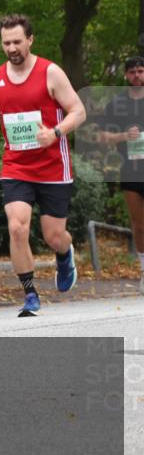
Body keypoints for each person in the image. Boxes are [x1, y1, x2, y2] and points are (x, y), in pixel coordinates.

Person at [0, 14, 87, 314]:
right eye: (6, 43)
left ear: (30, 40)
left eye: (17, 42)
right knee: (17, 227)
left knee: (54, 235)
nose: (11, 48)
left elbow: (78, 111)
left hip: (53, 165)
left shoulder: (50, 72)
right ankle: (29, 292)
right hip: (16, 166)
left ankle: (64, 254)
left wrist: (55, 133)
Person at [94, 55, 144, 293]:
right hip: (131, 169)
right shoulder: (117, 103)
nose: (137, 76)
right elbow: (101, 137)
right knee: (139, 224)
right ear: (126, 75)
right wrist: (124, 136)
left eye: (141, 71)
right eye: (133, 72)